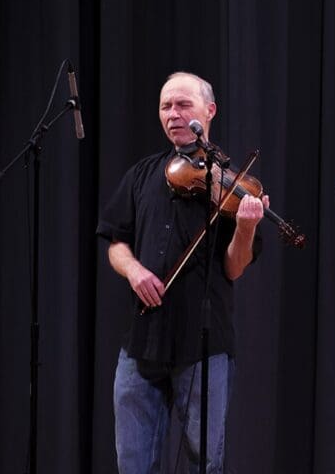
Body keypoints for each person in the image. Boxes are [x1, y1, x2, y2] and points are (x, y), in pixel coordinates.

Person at [97, 72, 266, 473]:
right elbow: (114, 242)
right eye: (165, 106)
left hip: (203, 344)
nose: (173, 114)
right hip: (142, 341)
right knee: (133, 462)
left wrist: (245, 227)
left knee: (205, 462)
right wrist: (134, 270)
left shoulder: (231, 184)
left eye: (182, 105)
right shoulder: (142, 174)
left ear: (209, 112)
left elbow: (234, 267)